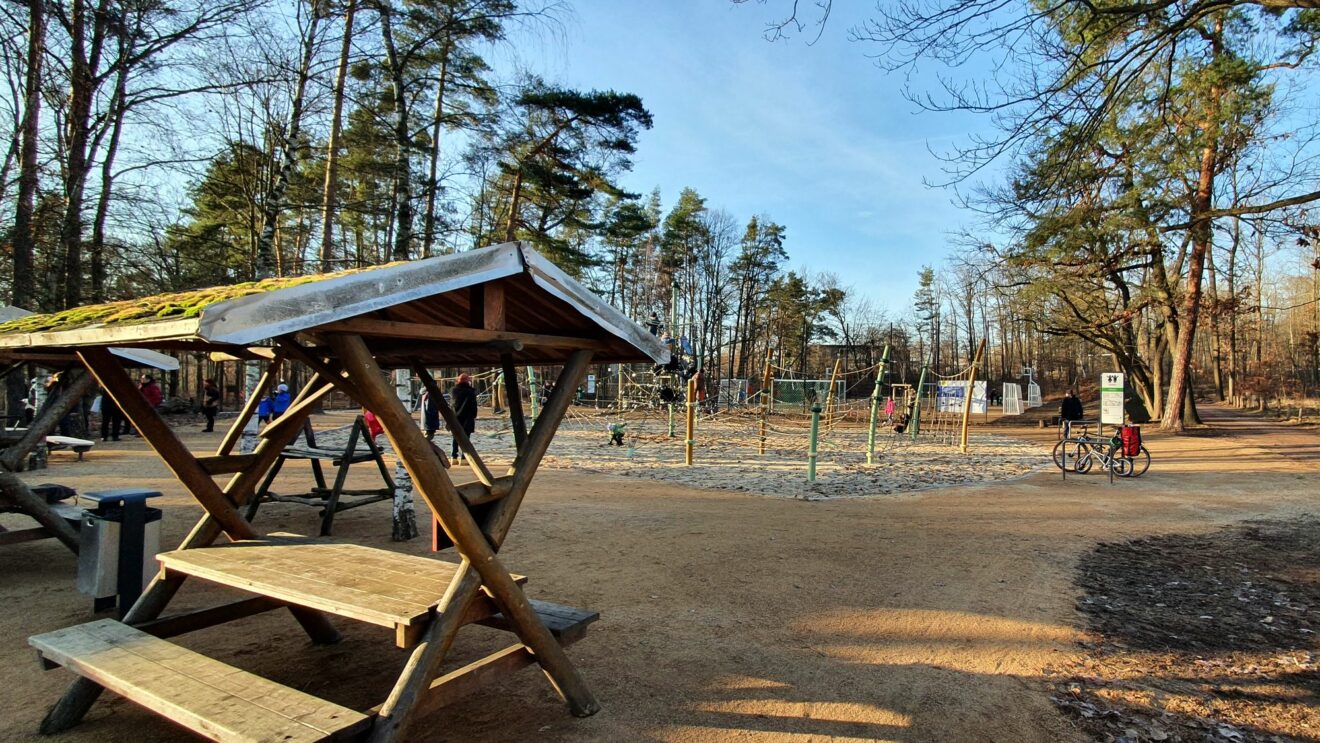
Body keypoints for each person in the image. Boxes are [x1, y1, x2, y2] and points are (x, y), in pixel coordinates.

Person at [450, 373, 477, 460]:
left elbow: (452, 405)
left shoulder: (453, 391)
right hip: (467, 418)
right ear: (468, 381)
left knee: (455, 437)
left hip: (455, 417)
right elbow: (473, 406)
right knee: (466, 438)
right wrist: (474, 416)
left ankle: (454, 456)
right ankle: (464, 457)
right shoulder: (470, 392)